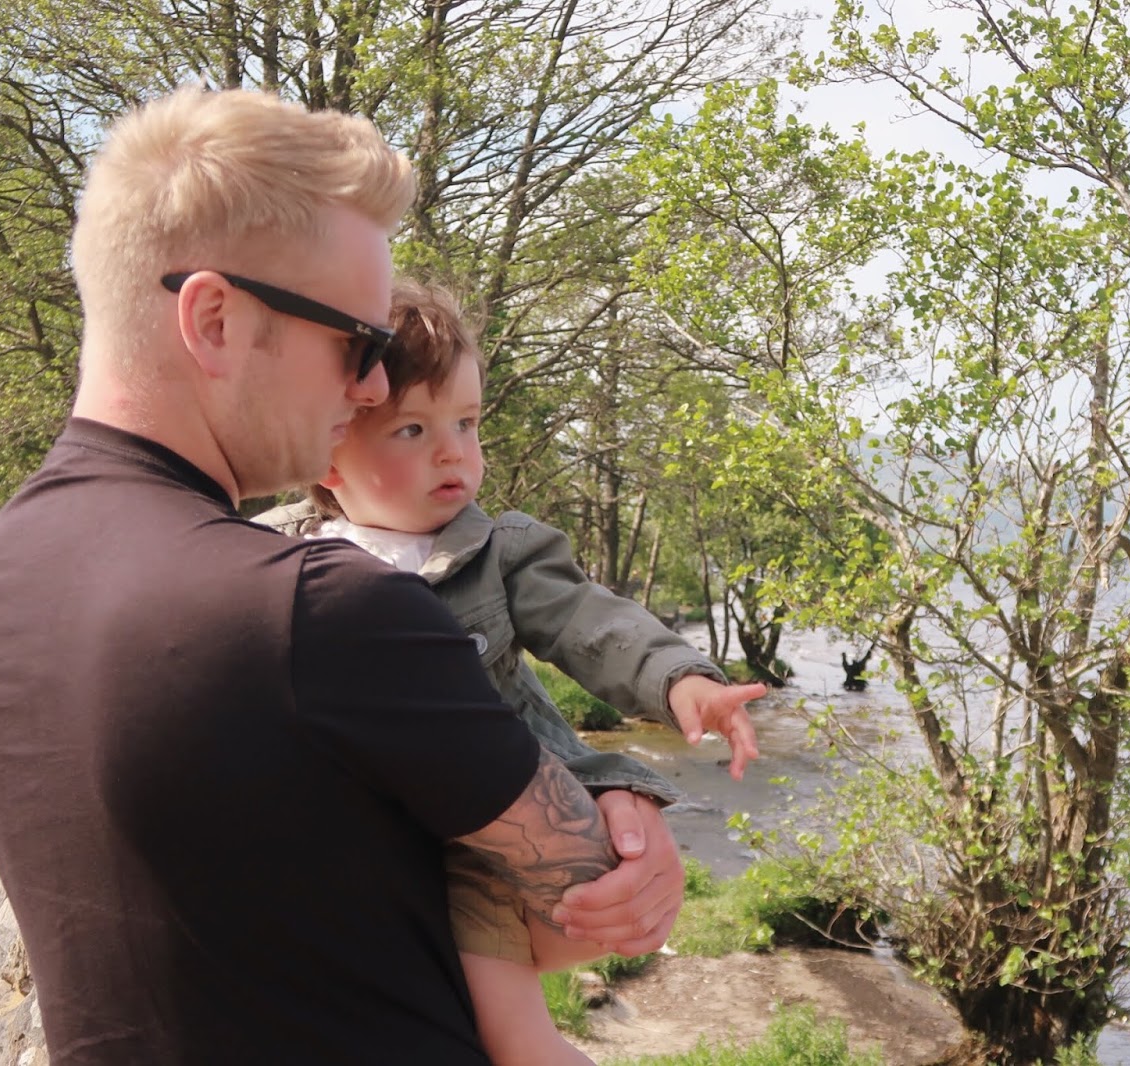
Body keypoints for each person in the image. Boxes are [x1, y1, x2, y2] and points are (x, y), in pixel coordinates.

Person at [0, 86, 685, 1065]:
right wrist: (627, 802)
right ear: (213, 319)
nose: (372, 386)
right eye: (357, 343)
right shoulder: (320, 610)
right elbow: (592, 908)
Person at [255, 278, 765, 1064]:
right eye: (412, 429)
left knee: (512, 1030)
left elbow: (592, 622)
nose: (453, 452)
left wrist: (681, 679)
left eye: (466, 423)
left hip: (485, 827)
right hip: (355, 829)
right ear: (326, 451)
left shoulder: (498, 552)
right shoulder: (273, 554)